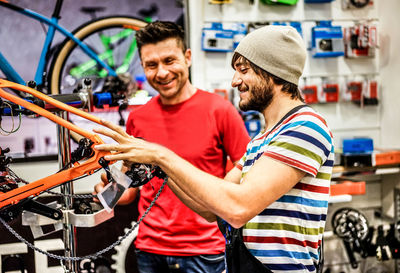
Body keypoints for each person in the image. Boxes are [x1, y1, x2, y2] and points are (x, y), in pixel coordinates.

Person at [94, 25, 334, 273]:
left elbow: (238, 208)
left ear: (273, 71)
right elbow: (212, 210)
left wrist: (160, 154)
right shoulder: (263, 139)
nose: (235, 81)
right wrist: (160, 168)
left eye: (243, 70)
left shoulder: (305, 127)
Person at [94, 21, 250, 273]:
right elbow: (131, 188)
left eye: (169, 61)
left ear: (187, 57)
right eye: (151, 65)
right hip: (149, 249)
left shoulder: (219, 110)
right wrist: (109, 192)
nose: (162, 73)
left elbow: (247, 168)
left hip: (205, 251)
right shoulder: (138, 119)